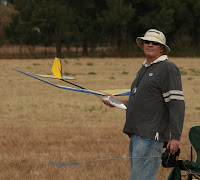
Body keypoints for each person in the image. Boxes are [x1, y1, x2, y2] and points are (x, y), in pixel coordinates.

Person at [103, 29, 185, 180]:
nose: (150, 45)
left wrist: (176, 137)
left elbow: (176, 104)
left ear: (162, 48)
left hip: (150, 137)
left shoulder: (167, 68)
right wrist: (115, 102)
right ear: (142, 44)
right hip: (137, 135)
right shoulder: (145, 68)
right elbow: (140, 103)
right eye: (147, 42)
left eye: (155, 43)